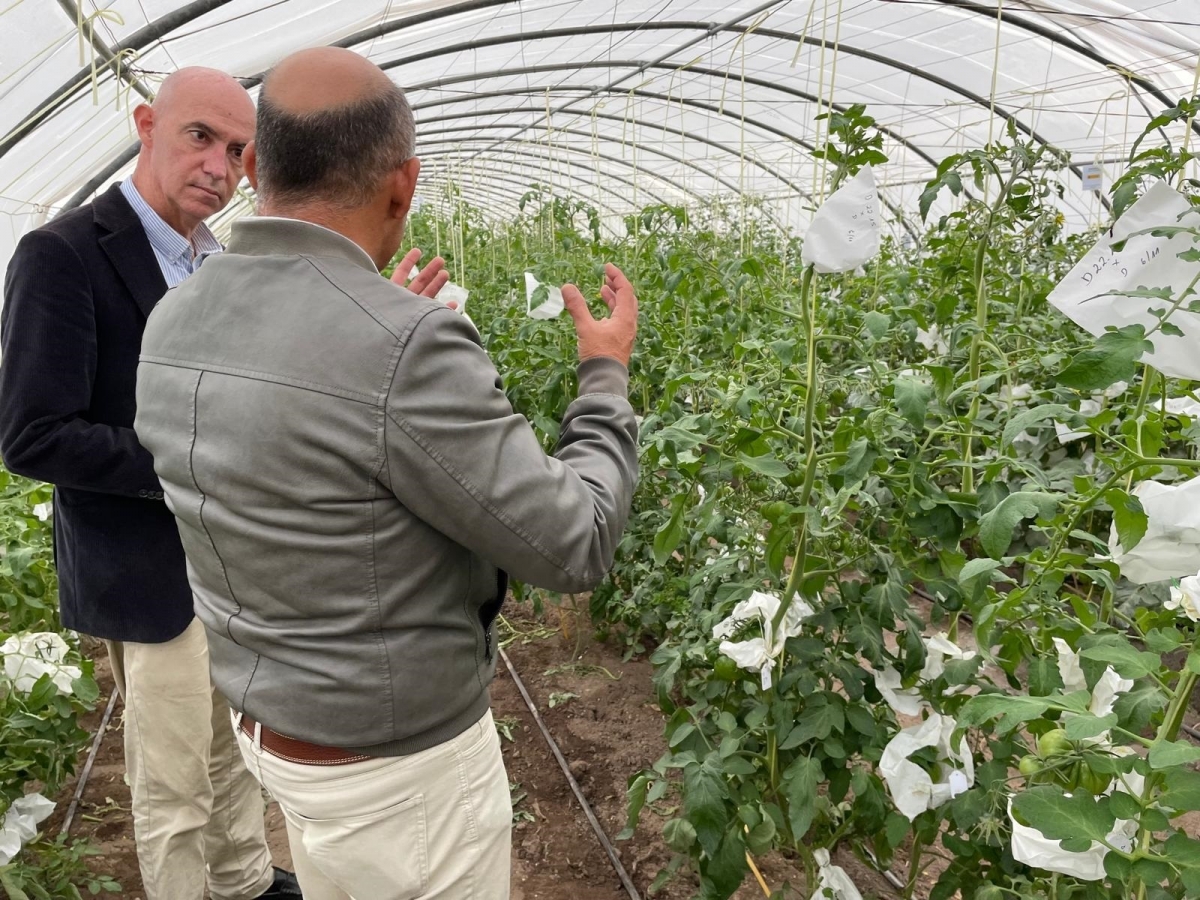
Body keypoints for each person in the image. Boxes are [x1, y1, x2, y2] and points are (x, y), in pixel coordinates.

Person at [133, 46, 640, 900]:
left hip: (275, 733)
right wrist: (604, 374)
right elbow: (574, 542)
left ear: (254, 169)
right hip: (399, 774)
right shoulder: (404, 342)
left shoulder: (173, 316)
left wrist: (374, 315)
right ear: (403, 187)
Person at [0, 68, 301, 900]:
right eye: (200, 136)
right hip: (147, 569)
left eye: (237, 151)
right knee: (173, 779)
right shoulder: (64, 255)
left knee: (233, 744)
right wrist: (189, 465)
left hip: (230, 563)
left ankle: (245, 881)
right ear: (146, 125)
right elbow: (33, 434)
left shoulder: (219, 262)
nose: (219, 165)